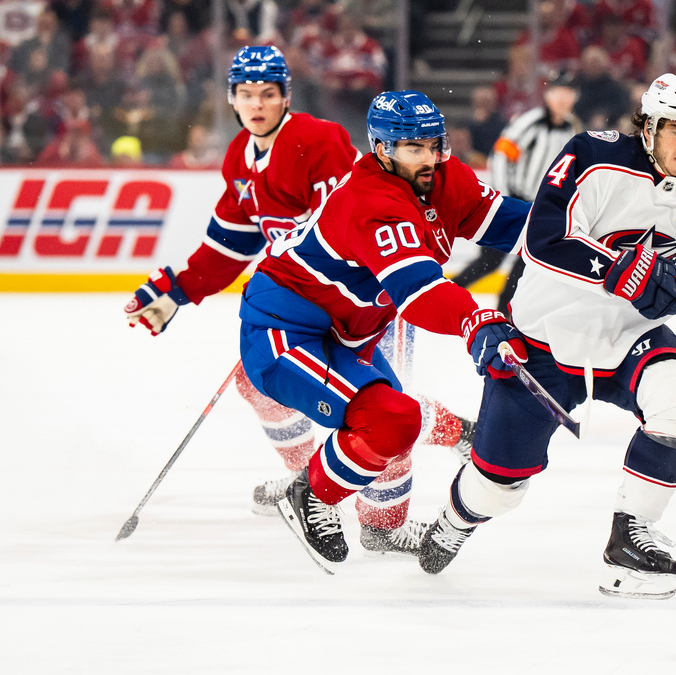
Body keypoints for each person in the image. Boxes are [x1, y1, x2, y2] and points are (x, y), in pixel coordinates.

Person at [415, 73, 676, 598]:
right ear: (649, 126)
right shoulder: (591, 155)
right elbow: (545, 238)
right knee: (498, 488)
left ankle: (630, 534)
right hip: (542, 338)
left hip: (631, 338)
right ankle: (455, 519)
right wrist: (622, 271)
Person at [124, 47, 475, 555]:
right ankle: (307, 479)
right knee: (257, 381)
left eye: (268, 94)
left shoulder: (317, 140)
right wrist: (177, 288)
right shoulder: (240, 158)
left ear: (286, 96)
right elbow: (230, 243)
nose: (257, 104)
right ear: (232, 100)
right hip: (309, 304)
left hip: (370, 299)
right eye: (246, 94)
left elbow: (344, 221)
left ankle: (389, 515)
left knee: (380, 410)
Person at [238, 89, 532, 574]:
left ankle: (382, 526)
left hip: (349, 333)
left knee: (397, 425)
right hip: (284, 332)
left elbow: (514, 225)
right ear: (382, 150)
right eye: (414, 148)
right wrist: (473, 318)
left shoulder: (443, 178)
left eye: (434, 145)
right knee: (390, 419)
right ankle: (310, 492)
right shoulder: (371, 201)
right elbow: (417, 293)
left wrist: (593, 237)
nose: (430, 158)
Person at [451, 70, 582, 315]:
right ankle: (448, 294)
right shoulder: (531, 121)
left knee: (525, 265)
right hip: (514, 201)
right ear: (548, 95)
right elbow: (501, 155)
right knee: (491, 260)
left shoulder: (571, 129)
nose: (563, 99)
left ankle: (503, 312)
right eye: (558, 93)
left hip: (540, 209)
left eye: (568, 94)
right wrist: (503, 198)